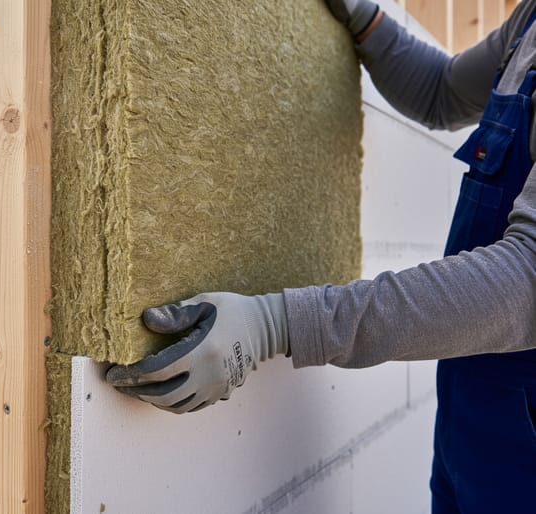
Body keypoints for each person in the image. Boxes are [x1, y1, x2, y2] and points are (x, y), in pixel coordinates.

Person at [105, 1, 536, 512]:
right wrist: (364, 17)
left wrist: (274, 324)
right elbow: (440, 93)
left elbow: (525, 284)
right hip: (473, 430)